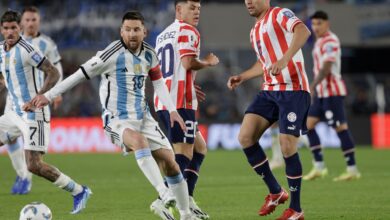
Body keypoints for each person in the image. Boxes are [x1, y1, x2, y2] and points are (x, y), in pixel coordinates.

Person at [24, 11, 199, 220]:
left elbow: (158, 83)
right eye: (127, 30)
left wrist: (172, 110)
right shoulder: (110, 54)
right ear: (121, 31)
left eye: (136, 30)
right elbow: (79, 75)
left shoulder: (150, 54)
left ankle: (186, 215)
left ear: (145, 32)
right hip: (117, 119)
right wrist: (49, 95)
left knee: (171, 164)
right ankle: (163, 193)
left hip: (143, 118)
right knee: (139, 142)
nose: (132, 34)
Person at [0, 10, 91, 214]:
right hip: (14, 113)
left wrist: (40, 96)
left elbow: (53, 72)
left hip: (34, 114)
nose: (10, 32)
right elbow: (5, 79)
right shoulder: (1, 51)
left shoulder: (26, 49)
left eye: (14, 27)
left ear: (19, 28)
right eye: (6, 28)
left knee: (33, 165)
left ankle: (79, 191)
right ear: (1, 30)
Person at [227, 0, 311, 219]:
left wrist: (285, 59)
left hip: (293, 90)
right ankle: (275, 191)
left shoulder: (280, 14)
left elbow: (303, 30)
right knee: (245, 137)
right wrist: (243, 76)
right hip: (269, 90)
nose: (248, 2)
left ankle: (296, 209)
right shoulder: (254, 30)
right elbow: (263, 63)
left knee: (286, 146)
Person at [153, 0, 219, 219]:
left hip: (164, 100)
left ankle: (187, 199)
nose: (197, 11)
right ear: (178, 9)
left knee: (200, 148)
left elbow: (171, 68)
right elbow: (189, 62)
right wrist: (208, 62)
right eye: (192, 7)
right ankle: (163, 200)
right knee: (184, 153)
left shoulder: (162, 34)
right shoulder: (189, 30)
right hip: (179, 102)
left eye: (199, 8)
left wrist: (190, 83)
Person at [4, 6, 64, 195]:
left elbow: (56, 69)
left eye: (33, 20)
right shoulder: (7, 44)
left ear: (38, 21)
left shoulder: (46, 44)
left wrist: (55, 93)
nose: (30, 23)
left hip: (35, 98)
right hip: (13, 97)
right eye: (27, 20)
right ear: (23, 23)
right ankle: (23, 174)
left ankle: (28, 172)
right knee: (11, 137)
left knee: (28, 142)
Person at [303, 10, 361, 181]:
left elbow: (327, 66)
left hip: (332, 93)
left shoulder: (331, 40)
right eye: (313, 24)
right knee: (308, 125)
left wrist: (312, 85)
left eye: (319, 23)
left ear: (327, 24)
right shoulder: (319, 41)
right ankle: (319, 167)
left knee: (340, 128)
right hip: (321, 94)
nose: (316, 27)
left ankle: (352, 169)